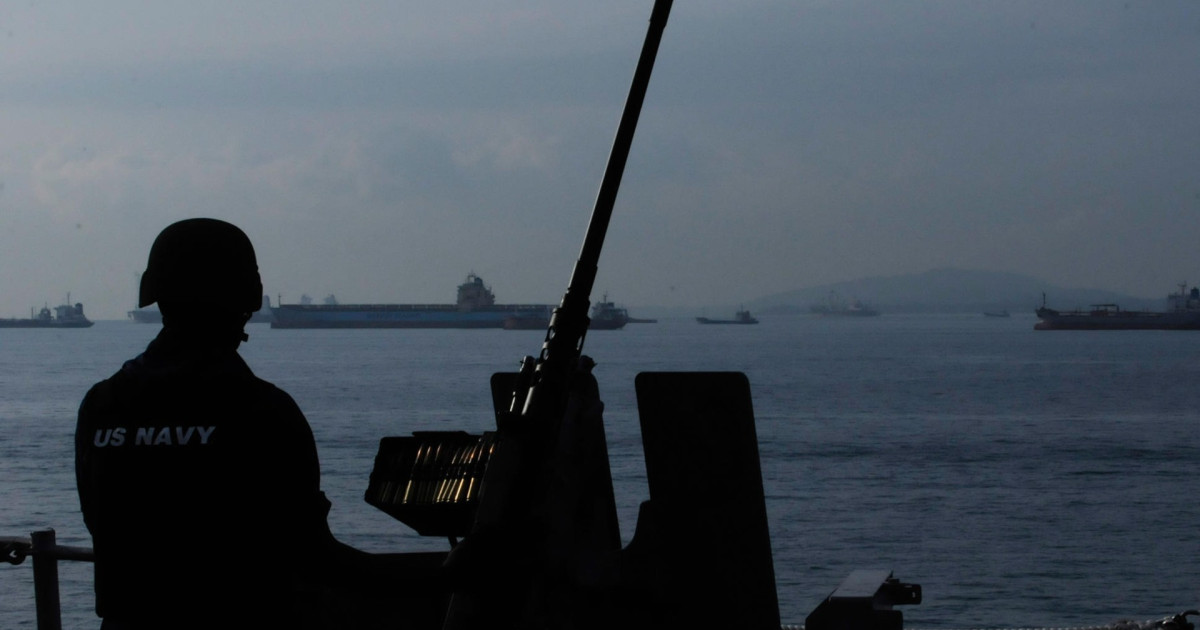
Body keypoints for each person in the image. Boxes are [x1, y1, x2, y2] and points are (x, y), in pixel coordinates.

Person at [75, 218, 447, 630]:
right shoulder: (262, 411)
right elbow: (316, 559)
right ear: (247, 298)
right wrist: (447, 573)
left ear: (155, 295)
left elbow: (101, 526)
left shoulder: (100, 405)